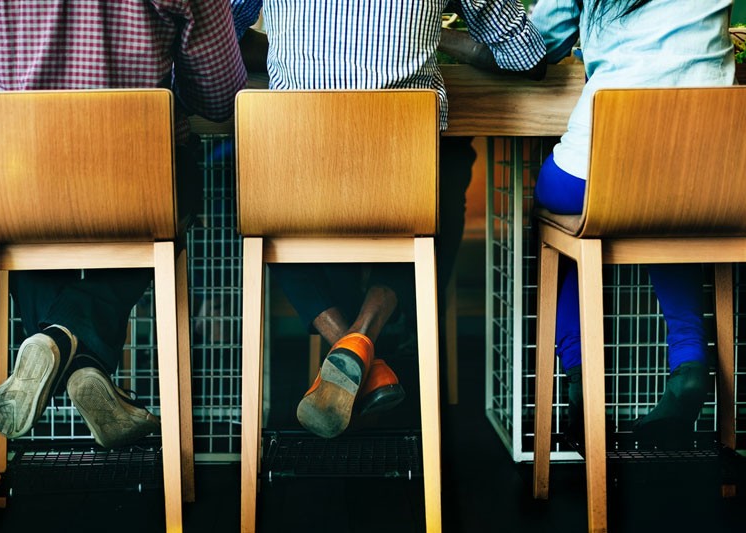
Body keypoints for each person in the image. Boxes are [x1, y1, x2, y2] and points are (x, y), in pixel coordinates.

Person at [232, 0, 547, 438]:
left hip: (301, 175)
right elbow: (527, 53)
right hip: (402, 176)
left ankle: (348, 344)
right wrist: (440, 33)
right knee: (438, 196)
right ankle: (366, 343)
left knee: (264, 212)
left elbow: (220, 31)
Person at [0, 0, 247, 448]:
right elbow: (219, 94)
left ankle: (55, 342)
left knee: (19, 218)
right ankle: (75, 350)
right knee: (165, 197)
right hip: (136, 185)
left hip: (14, 185)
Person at [530, 0, 735, 449]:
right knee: (661, 206)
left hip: (603, 163)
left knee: (563, 219)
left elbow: (537, 44)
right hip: (716, 165)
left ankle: (581, 379)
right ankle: (689, 365)